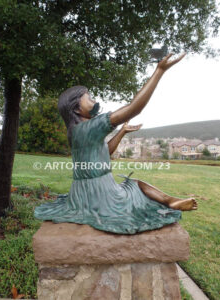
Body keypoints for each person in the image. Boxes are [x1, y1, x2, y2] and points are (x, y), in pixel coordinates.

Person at [34, 53, 197, 234]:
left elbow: (105, 153)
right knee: (135, 186)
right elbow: (133, 108)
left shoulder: (77, 131)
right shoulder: (89, 127)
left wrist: (122, 132)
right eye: (88, 98)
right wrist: (159, 71)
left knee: (134, 184)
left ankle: (170, 200)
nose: (94, 100)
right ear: (76, 107)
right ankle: (169, 200)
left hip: (85, 193)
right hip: (102, 194)